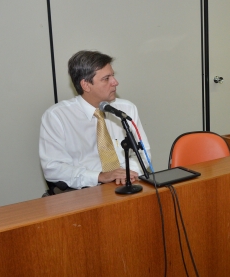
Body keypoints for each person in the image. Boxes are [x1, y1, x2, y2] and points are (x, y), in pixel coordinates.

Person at [39, 50, 150, 190]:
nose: (115, 82)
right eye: (106, 78)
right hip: (85, 191)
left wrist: (127, 173)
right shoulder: (56, 117)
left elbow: (144, 152)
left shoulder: (126, 109)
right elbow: (53, 168)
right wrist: (99, 176)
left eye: (113, 76)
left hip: (129, 183)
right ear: (86, 85)